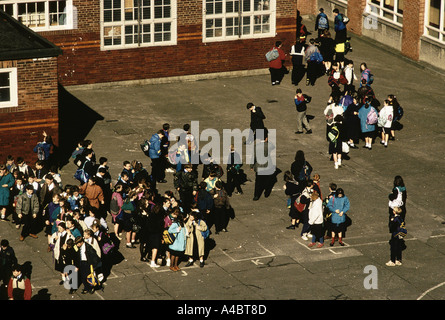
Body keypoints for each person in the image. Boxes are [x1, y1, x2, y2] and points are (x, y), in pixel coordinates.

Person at [250, 129, 275, 201]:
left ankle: (256, 195)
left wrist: (252, 166)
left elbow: (253, 157)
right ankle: (267, 192)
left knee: (258, 182)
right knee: (267, 181)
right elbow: (273, 146)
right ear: (266, 138)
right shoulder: (268, 145)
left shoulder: (256, 146)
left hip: (259, 166)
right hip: (268, 166)